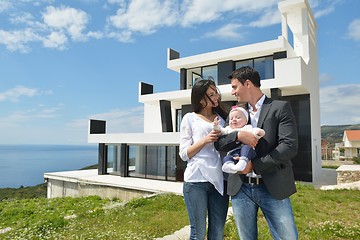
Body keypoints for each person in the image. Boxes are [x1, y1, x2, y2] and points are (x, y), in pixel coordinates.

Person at [214, 66, 299, 240]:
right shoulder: (235, 113)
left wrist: (255, 165)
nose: (233, 92)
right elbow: (220, 143)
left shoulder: (280, 107)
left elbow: (289, 146)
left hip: (273, 186)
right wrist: (238, 135)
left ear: (247, 84)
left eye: (234, 86)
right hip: (240, 187)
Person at [179, 77, 229, 240]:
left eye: (216, 93)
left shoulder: (223, 118)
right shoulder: (189, 118)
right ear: (200, 99)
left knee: (218, 233)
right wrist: (206, 140)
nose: (216, 98)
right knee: (198, 233)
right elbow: (184, 153)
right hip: (195, 181)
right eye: (211, 94)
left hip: (219, 181)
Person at [213, 106, 265, 174]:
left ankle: (243, 160)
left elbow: (254, 131)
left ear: (246, 121)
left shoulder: (247, 127)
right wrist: (216, 126)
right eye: (231, 119)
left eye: (238, 118)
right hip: (233, 152)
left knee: (246, 147)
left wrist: (258, 132)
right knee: (227, 158)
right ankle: (228, 165)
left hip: (246, 151)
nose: (234, 120)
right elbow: (221, 132)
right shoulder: (228, 129)